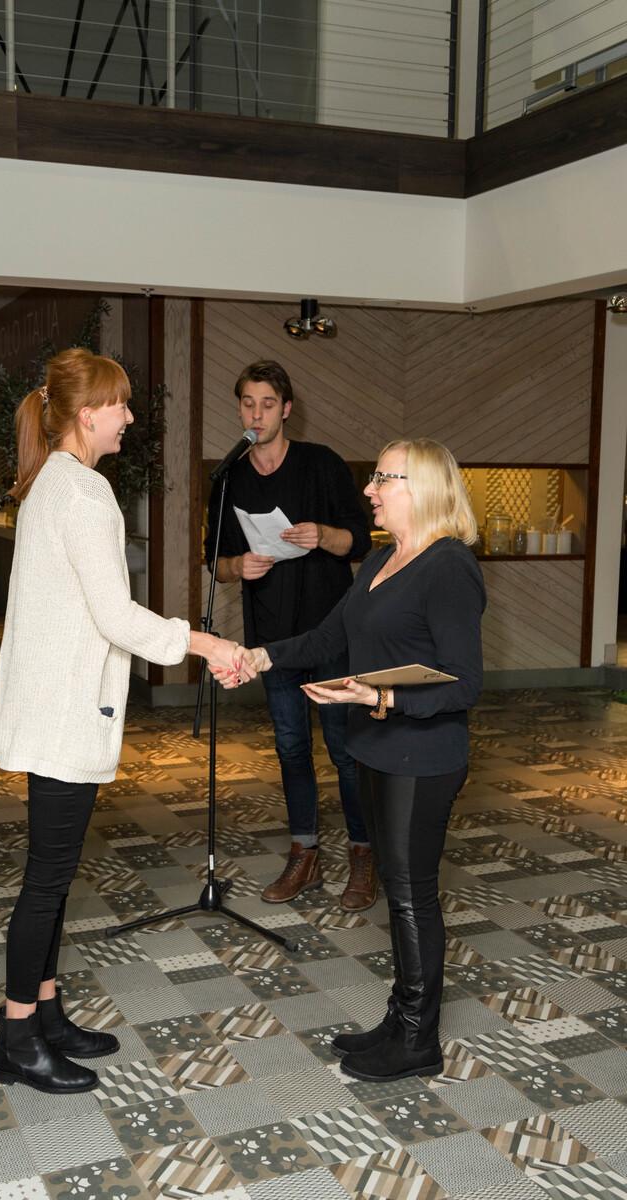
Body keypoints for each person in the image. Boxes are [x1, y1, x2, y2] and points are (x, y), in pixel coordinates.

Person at [0, 348, 252, 1095]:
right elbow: (115, 616)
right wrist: (207, 643)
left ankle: (45, 1013)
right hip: (63, 711)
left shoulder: (54, 482)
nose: (130, 417)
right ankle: (17, 1038)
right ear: (87, 413)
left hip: (51, 704)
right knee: (46, 880)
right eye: (121, 404)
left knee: (54, 874)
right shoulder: (83, 492)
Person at [218, 438, 485, 1083]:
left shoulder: (449, 565)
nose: (369, 490)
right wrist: (259, 657)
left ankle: (418, 1039)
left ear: (421, 488)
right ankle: (400, 1019)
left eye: (383, 479)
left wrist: (382, 696)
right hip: (377, 748)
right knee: (397, 889)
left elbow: (464, 684)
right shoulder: (383, 559)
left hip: (422, 756)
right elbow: (328, 636)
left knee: (413, 896)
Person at [205, 360, 375, 910]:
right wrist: (239, 567)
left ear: (287, 410)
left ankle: (364, 853)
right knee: (291, 747)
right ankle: (305, 853)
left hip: (332, 633)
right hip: (271, 640)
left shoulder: (321, 464)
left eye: (267, 404)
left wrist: (323, 534)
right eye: (248, 404)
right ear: (239, 408)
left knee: (345, 750)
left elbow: (360, 541)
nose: (257, 414)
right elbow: (215, 563)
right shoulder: (229, 477)